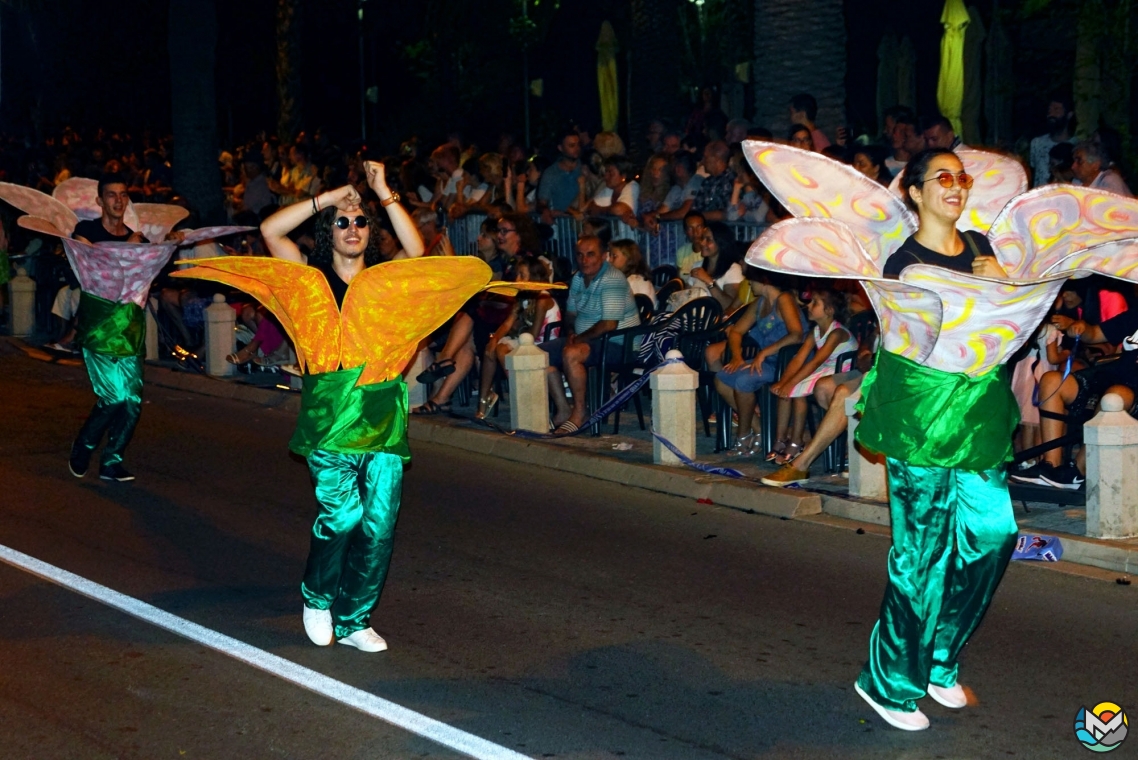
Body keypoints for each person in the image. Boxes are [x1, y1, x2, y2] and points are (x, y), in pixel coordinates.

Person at [176, 161, 485, 655]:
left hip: (382, 414)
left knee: (379, 526)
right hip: (330, 417)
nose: (353, 228)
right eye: (343, 222)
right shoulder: (309, 279)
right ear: (328, 231)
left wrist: (382, 192)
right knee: (343, 517)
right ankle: (318, 597)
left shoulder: (385, 283)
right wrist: (335, 195)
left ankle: (354, 617)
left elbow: (416, 249)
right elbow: (271, 229)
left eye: (360, 222)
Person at [853, 148, 1017, 731]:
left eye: (961, 177)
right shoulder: (902, 264)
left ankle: (939, 658)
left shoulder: (980, 247)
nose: (955, 186)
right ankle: (888, 682)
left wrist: (1001, 286)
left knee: (994, 535)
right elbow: (912, 344)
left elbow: (1002, 321)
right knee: (922, 556)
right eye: (941, 178)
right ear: (916, 192)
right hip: (922, 421)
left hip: (975, 419)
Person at [67, 173, 151, 483]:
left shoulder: (136, 236)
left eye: (123, 194)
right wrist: (129, 248)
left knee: (132, 401)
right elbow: (92, 261)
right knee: (113, 397)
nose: (118, 200)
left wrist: (168, 245)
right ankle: (83, 446)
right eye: (112, 195)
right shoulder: (85, 230)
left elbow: (150, 272)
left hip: (129, 327)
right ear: (100, 200)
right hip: (99, 326)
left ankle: (112, 461)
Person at [542, 235, 640, 433]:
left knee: (571, 353)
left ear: (604, 256)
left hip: (619, 343)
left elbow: (609, 324)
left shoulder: (612, 279)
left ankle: (580, 413)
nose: (584, 260)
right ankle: (562, 409)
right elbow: (570, 314)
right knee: (536, 355)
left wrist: (577, 339)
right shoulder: (578, 277)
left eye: (590, 254)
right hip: (588, 340)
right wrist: (571, 332)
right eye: (579, 255)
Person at [712, 269, 805, 456]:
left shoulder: (784, 299)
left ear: (764, 280)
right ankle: (758, 428)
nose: (748, 284)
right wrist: (737, 356)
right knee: (721, 378)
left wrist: (764, 353)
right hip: (766, 360)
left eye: (750, 280)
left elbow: (796, 334)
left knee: (743, 381)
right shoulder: (759, 303)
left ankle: (742, 435)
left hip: (787, 362)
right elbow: (736, 332)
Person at [766, 288, 858, 465]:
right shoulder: (814, 332)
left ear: (829, 311)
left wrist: (791, 383)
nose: (809, 306)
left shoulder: (837, 333)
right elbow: (799, 358)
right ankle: (780, 440)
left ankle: (796, 441)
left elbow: (816, 361)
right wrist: (784, 382)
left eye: (815, 303)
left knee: (795, 390)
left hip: (843, 372)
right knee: (785, 391)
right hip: (827, 368)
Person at [537, 128, 583, 220]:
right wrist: (546, 211)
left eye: (578, 144)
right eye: (571, 145)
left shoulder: (585, 168)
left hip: (587, 225)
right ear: (560, 148)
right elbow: (542, 203)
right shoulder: (551, 173)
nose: (577, 148)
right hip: (562, 227)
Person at [1029, 96, 1074, 187]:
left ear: (1069, 115)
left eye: (1056, 110)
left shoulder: (1076, 147)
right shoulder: (1037, 143)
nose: (1051, 114)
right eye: (1049, 110)